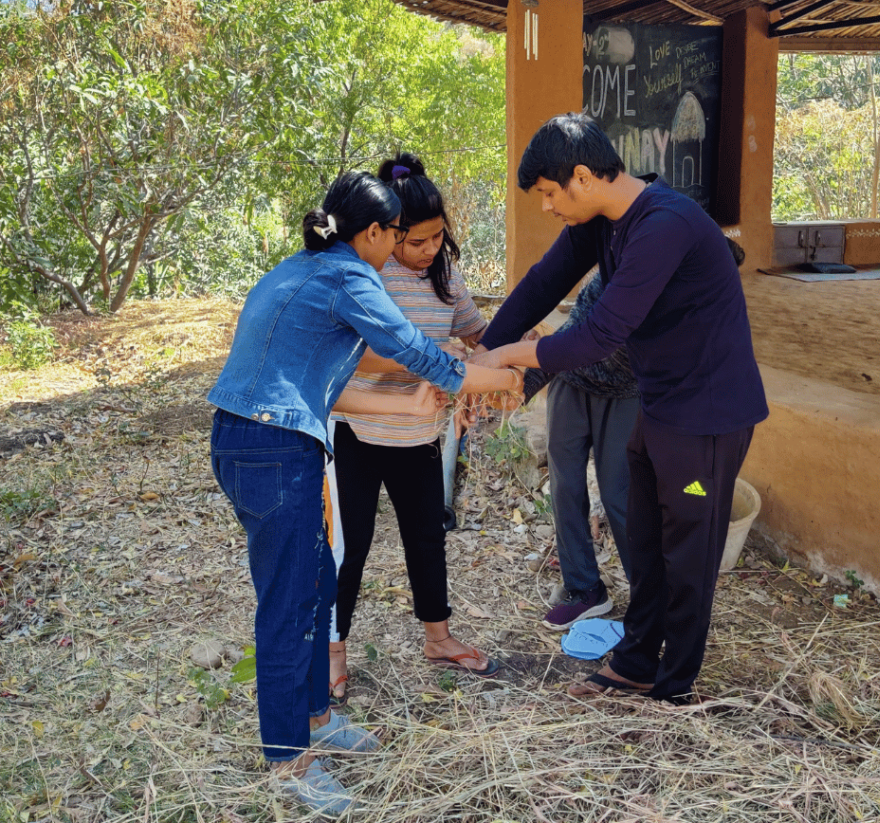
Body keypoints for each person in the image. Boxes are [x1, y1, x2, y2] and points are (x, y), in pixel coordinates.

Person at [208, 171, 523, 812]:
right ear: (375, 232)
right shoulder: (349, 277)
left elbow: (327, 378)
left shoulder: (302, 270)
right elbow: (416, 352)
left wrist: (412, 406)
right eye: (397, 235)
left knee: (317, 582)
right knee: (289, 609)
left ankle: (318, 719)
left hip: (255, 438)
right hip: (274, 449)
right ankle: (289, 763)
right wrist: (500, 376)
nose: (401, 248)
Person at [470, 113, 767, 705]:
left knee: (688, 554)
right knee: (647, 544)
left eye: (550, 194)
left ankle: (674, 685)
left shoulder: (664, 224)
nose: (548, 208)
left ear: (582, 177)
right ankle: (636, 662)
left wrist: (505, 356)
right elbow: (542, 283)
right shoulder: (602, 221)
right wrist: (482, 353)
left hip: (707, 417)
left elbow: (597, 336)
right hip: (660, 406)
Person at [325, 153, 496, 706]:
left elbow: (474, 334)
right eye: (415, 240)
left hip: (420, 434)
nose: (427, 250)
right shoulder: (367, 273)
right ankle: (333, 652)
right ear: (388, 231)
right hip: (357, 430)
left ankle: (438, 639)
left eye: (437, 238)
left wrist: (506, 357)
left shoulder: (445, 274)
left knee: (426, 537)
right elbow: (353, 351)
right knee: (349, 547)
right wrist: (434, 360)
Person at [521, 272, 639, 630]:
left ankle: (651, 596)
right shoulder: (606, 269)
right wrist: (522, 382)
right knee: (565, 488)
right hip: (571, 383)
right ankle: (585, 589)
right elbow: (572, 332)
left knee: (620, 494)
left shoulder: (664, 274)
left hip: (626, 393)